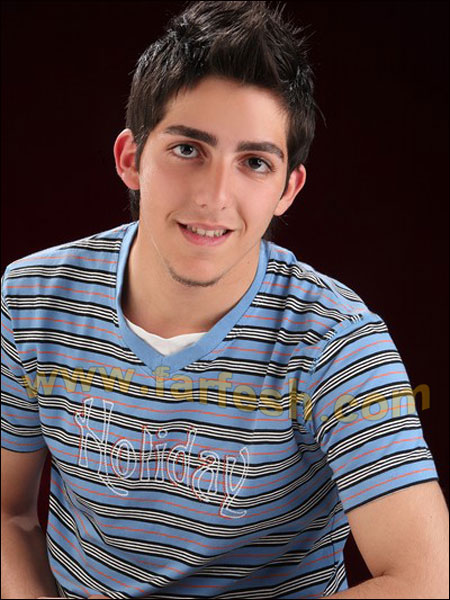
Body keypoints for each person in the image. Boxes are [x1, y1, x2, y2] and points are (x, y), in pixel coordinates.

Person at [1, 1, 448, 599]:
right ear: (131, 159)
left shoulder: (337, 342)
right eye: (189, 149)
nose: (215, 196)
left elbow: (424, 580)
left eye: (254, 163)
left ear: (287, 189)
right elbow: (7, 514)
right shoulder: (31, 297)